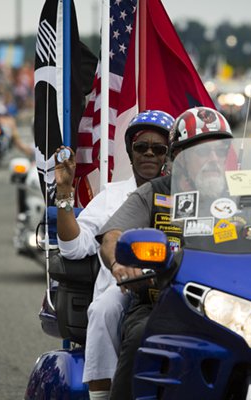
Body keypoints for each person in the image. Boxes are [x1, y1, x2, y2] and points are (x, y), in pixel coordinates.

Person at [98, 106, 233, 399]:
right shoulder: (154, 193)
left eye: (219, 152)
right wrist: (120, 262)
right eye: (202, 153)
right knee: (140, 337)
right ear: (178, 158)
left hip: (232, 305)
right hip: (162, 303)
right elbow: (113, 236)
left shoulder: (240, 195)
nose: (213, 160)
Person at [53, 109, 174, 400]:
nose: (149, 154)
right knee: (103, 308)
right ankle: (102, 396)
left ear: (170, 154)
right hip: (124, 289)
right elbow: (73, 246)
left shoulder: (187, 193)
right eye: (140, 147)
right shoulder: (111, 195)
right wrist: (64, 193)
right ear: (130, 153)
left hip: (176, 286)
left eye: (158, 149)